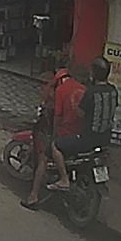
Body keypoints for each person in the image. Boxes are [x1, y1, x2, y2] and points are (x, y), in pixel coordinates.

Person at [49, 57, 117, 192]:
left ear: (94, 73)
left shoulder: (91, 92)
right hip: (105, 139)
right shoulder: (113, 90)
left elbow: (80, 113)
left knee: (55, 146)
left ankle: (64, 180)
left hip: (88, 139)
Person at [21, 65, 84, 210]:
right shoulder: (82, 88)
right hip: (79, 135)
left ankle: (33, 196)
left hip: (65, 133)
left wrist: (54, 135)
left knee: (44, 158)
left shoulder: (61, 91)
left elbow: (57, 117)